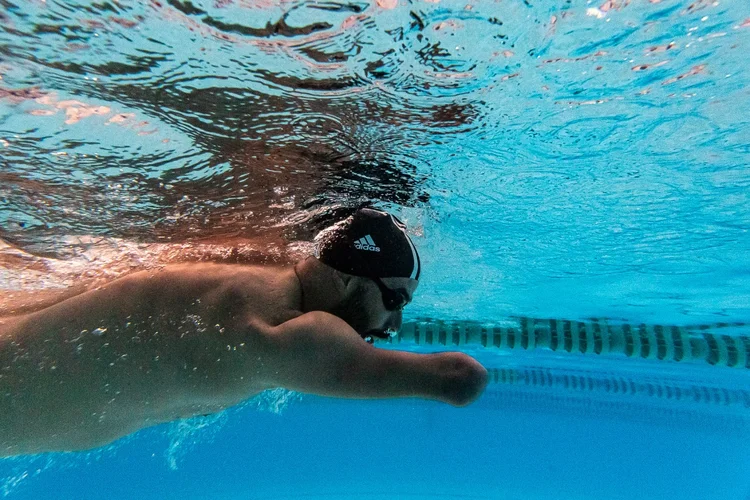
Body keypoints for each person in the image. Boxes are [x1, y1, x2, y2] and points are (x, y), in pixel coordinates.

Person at [0, 208, 488, 456]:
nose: (394, 325)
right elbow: (459, 378)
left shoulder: (255, 280)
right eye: (394, 300)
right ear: (343, 278)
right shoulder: (279, 333)